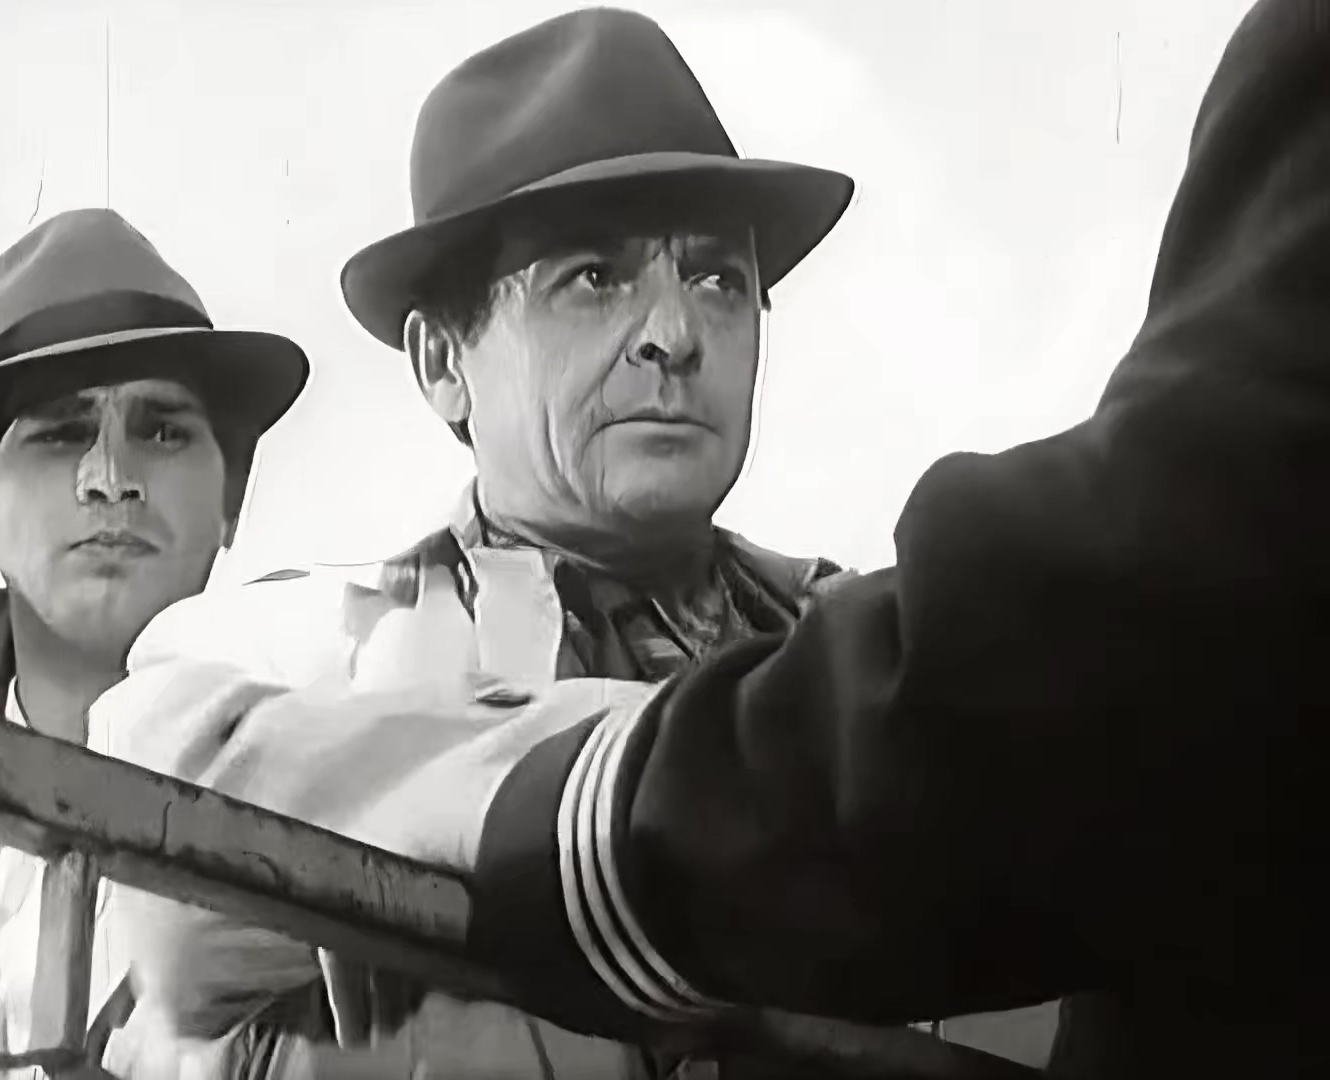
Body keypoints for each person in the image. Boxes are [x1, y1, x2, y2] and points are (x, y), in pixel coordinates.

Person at [107, 0, 1329, 1076]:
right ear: (442, 362)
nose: (675, 334)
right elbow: (163, 851)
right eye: (594, 278)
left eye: (717, 280)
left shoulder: (853, 640)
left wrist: (443, 799)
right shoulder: (287, 644)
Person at [0, 208, 309, 1080]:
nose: (111, 479)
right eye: (60, 432)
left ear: (231, 497)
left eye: (162, 429)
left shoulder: (326, 812)